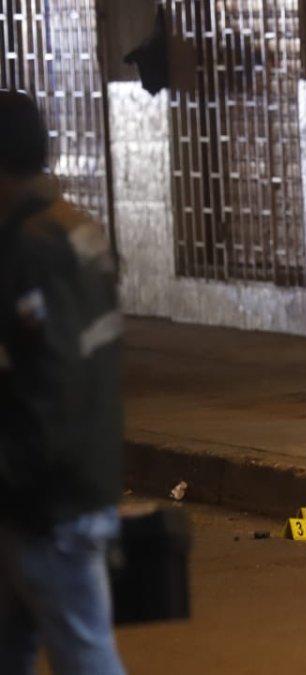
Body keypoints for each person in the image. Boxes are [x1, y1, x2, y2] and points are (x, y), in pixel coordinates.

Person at [0, 90, 126, 674]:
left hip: (48, 502)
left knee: (84, 652)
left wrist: (21, 483)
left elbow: (52, 382)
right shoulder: (79, 229)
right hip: (75, 484)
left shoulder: (28, 249)